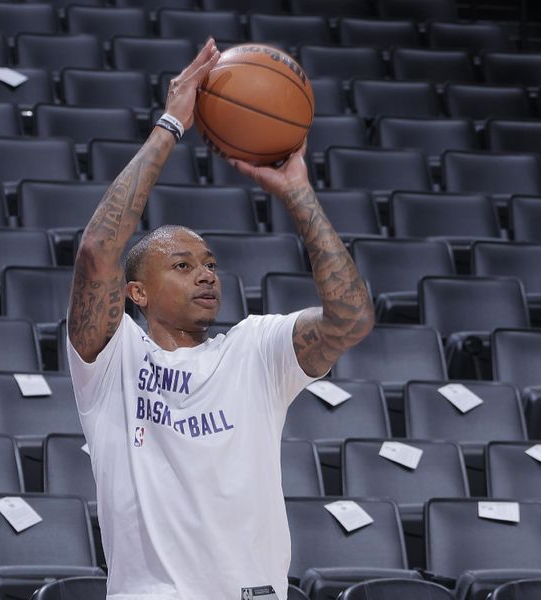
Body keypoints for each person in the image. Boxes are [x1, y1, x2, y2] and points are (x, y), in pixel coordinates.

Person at [66, 38, 374, 600]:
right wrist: (170, 124)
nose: (206, 275)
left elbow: (350, 319)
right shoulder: (113, 361)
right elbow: (96, 252)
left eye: (210, 264)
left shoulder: (255, 348)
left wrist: (299, 194)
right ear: (135, 291)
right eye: (182, 266)